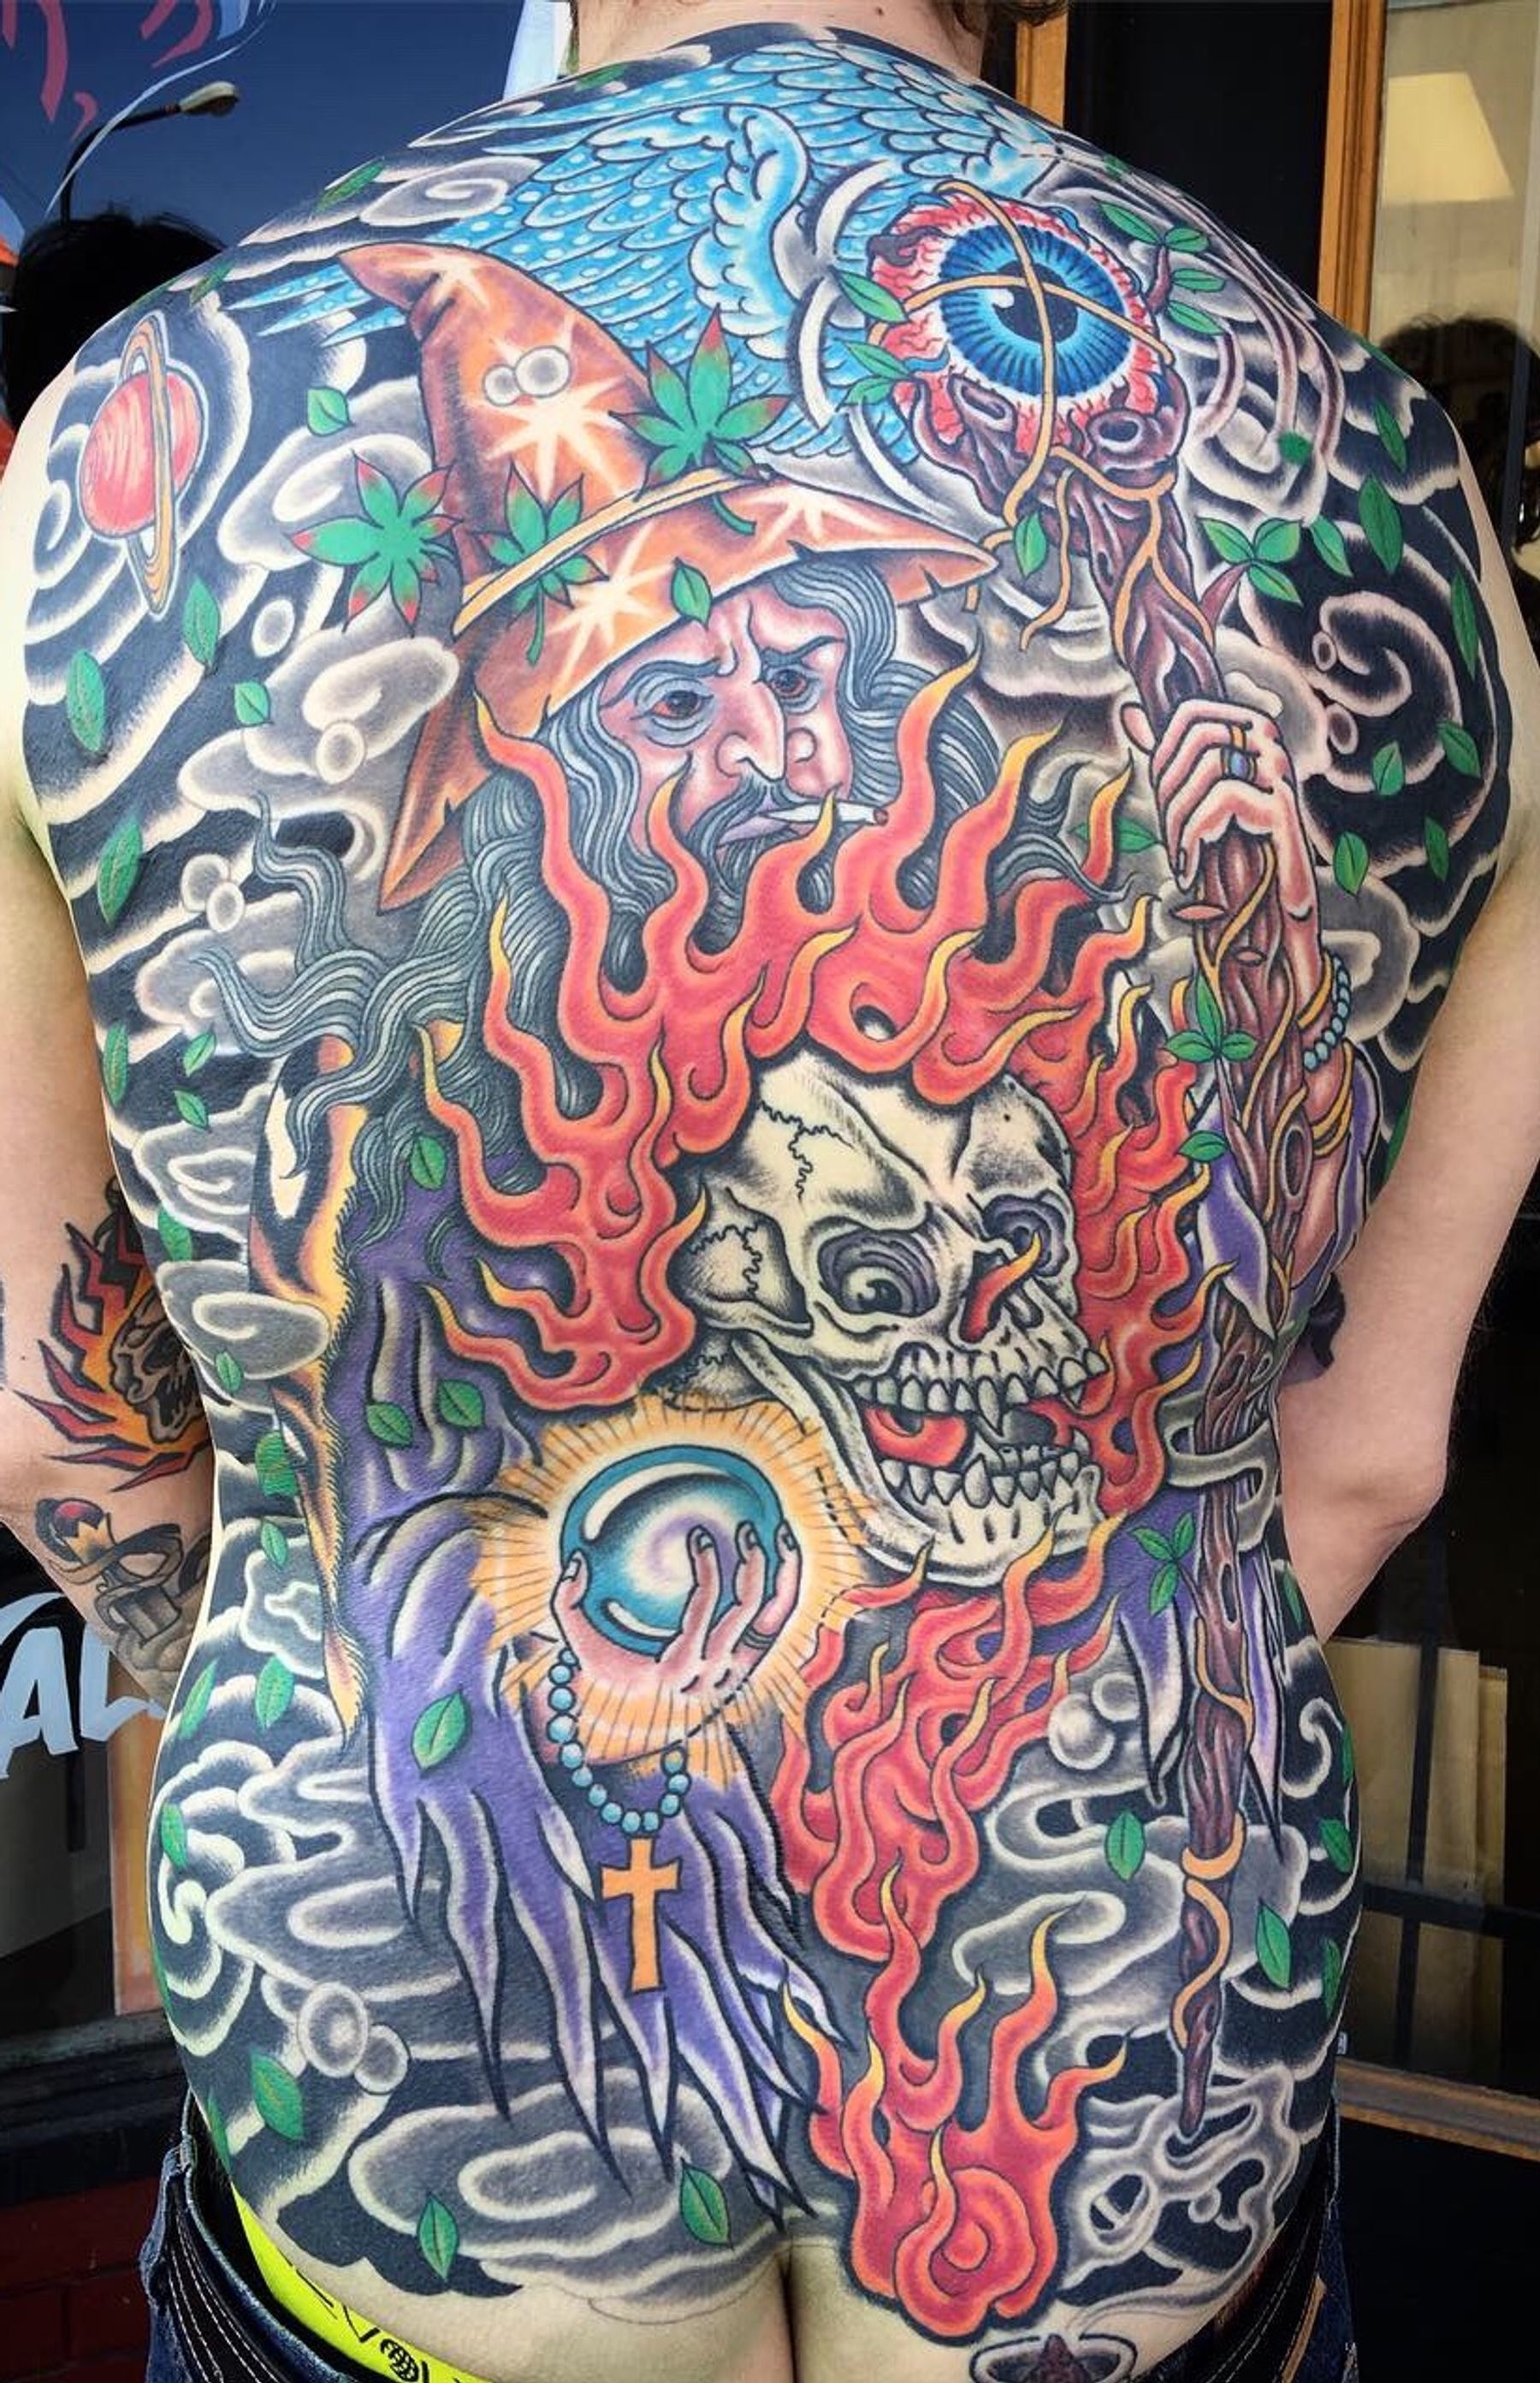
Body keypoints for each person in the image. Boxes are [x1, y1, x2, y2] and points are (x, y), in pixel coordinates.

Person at [0, 3, 1536, 2379]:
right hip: (1125, 2099)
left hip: (414, 2102)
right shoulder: (1398, 503)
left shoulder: (130, 449)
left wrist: (381, 1706)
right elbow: (1370, 1457)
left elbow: (64, 1432)